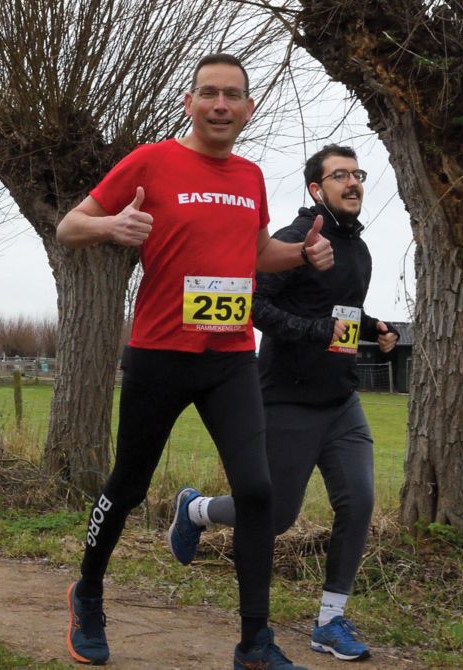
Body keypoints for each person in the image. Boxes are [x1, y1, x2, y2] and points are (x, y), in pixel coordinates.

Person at [56, 54, 334, 669]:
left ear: (247, 108)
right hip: (159, 353)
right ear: (190, 102)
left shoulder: (252, 175)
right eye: (209, 93)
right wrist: (111, 228)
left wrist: (303, 254)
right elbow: (69, 226)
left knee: (258, 490)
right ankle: (89, 593)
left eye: (232, 95)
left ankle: (254, 643)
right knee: (127, 484)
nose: (220, 105)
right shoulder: (152, 160)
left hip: (230, 357)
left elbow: (258, 251)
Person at [168, 144, 399, 662]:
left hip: (341, 401)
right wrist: (319, 331)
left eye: (357, 173)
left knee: (358, 501)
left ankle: (330, 622)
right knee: (275, 517)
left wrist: (374, 326)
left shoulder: (358, 248)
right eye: (339, 175)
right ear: (317, 189)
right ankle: (198, 509)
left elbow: (342, 310)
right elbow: (255, 305)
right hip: (287, 399)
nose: (353, 182)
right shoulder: (295, 239)